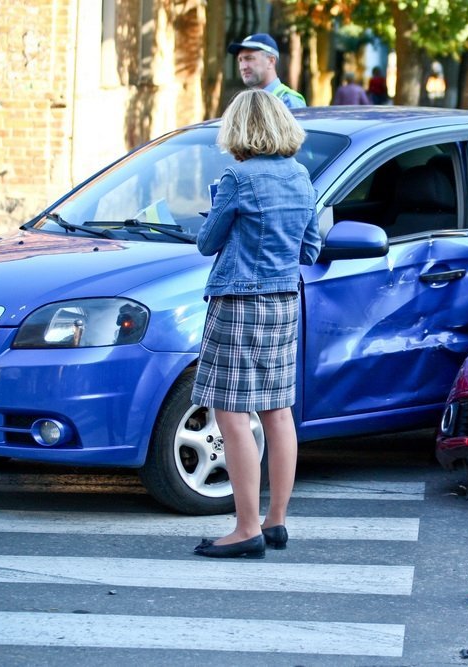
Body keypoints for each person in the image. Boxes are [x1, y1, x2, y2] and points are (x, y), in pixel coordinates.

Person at [192, 89, 321, 558]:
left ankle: (246, 528)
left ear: (239, 130)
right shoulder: (302, 177)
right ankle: (276, 522)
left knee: (231, 414)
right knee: (277, 412)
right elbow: (310, 250)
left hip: (239, 302)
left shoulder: (237, 177)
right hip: (285, 301)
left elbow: (208, 243)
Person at [227, 33, 306, 109]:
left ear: (271, 61)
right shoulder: (244, 104)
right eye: (240, 60)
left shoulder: (288, 102)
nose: (243, 67)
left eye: (249, 58)